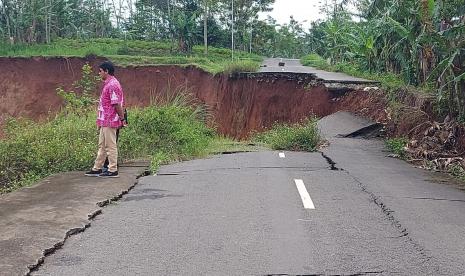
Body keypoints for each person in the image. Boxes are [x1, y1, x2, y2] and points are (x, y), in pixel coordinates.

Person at [85, 61, 126, 178]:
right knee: (102, 145)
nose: (99, 74)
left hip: (110, 120)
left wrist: (122, 119)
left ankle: (113, 169)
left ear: (106, 71)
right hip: (105, 120)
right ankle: (97, 168)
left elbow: (117, 104)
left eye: (100, 71)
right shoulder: (109, 84)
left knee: (110, 145)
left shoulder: (113, 84)